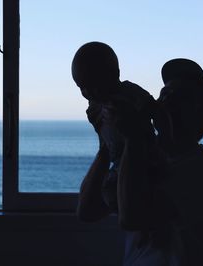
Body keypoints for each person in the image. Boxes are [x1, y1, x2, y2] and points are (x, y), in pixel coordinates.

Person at [119, 59, 203, 265]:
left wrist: (133, 139)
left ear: (201, 114)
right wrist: (106, 148)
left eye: (181, 98)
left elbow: (130, 217)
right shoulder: (145, 159)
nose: (165, 101)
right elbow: (89, 209)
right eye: (164, 94)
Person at [72, 41, 156, 219]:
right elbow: (85, 213)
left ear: (115, 75)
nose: (89, 92)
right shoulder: (96, 108)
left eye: (94, 84)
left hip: (146, 158)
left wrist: (138, 133)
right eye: (82, 87)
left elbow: (156, 110)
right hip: (119, 163)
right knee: (110, 189)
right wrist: (104, 143)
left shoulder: (130, 93)